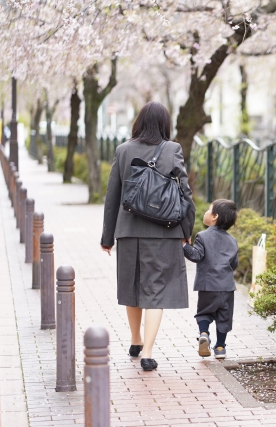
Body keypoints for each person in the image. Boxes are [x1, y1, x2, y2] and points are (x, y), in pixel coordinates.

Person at [100, 102, 195, 371]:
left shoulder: (123, 150)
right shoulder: (172, 149)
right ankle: (148, 353)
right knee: (156, 291)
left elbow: (112, 197)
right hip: (164, 231)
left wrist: (107, 237)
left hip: (128, 231)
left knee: (132, 286)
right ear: (165, 123)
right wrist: (187, 231)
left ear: (139, 121)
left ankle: (135, 340)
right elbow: (185, 195)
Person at [183, 199, 238, 359]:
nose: (205, 212)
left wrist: (183, 246)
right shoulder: (232, 241)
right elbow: (234, 264)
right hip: (227, 286)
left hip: (207, 285)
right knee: (224, 317)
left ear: (214, 217)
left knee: (204, 313)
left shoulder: (202, 236)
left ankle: (204, 333)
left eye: (209, 209)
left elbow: (196, 256)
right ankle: (220, 347)